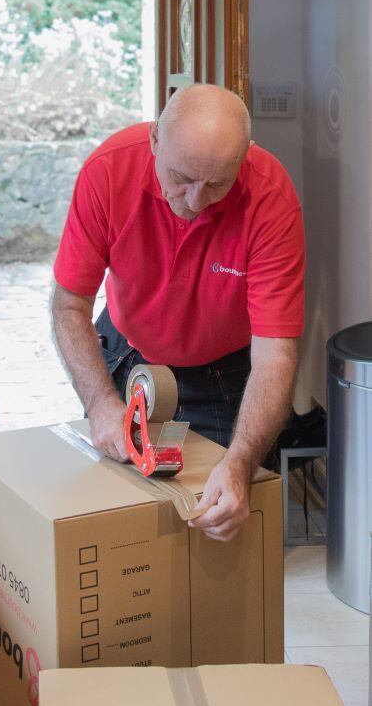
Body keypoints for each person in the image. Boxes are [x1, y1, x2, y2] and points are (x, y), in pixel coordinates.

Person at [52, 84, 304, 543]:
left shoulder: (271, 197)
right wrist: (99, 403)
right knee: (121, 516)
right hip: (127, 349)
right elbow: (69, 305)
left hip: (225, 366)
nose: (195, 200)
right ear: (154, 141)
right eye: (181, 176)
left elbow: (275, 355)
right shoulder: (107, 171)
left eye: (217, 184)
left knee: (218, 519)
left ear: (245, 158)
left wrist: (242, 460)